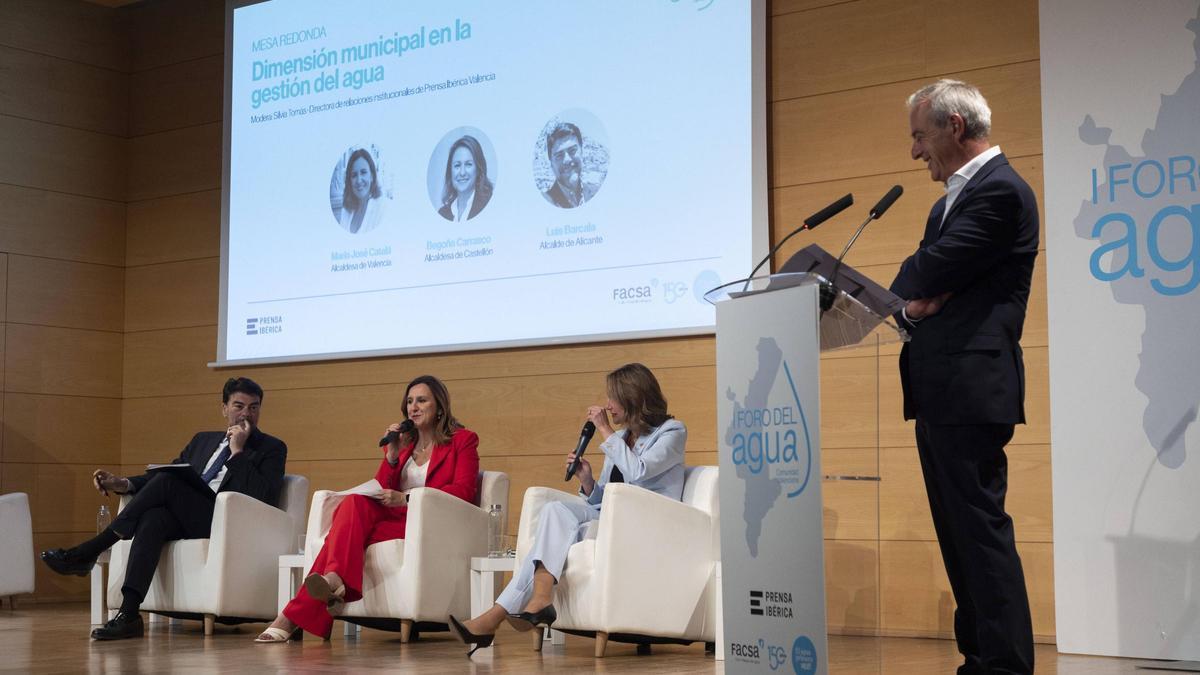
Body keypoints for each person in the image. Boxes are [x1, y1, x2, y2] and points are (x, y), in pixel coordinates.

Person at [889, 79, 1038, 675]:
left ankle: (1004, 666)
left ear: (954, 127)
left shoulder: (1001, 191)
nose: (914, 151)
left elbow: (924, 270)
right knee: (957, 534)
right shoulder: (945, 203)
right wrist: (912, 306)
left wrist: (915, 293)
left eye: (919, 135)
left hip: (972, 388)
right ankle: (979, 658)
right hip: (939, 387)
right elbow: (918, 292)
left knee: (979, 531)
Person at [448, 362, 686, 656]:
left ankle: (495, 617)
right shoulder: (622, 439)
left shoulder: (671, 431)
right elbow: (602, 500)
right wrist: (587, 480)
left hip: (646, 522)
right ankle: (535, 600)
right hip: (614, 518)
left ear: (633, 397)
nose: (607, 405)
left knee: (564, 523)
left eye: (613, 398)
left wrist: (603, 429)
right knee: (554, 511)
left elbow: (638, 472)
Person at [41, 377, 287, 641]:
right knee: (153, 517)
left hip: (227, 523)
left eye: (254, 407)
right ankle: (129, 614)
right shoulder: (203, 440)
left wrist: (237, 452)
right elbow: (167, 475)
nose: (246, 414)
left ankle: (91, 550)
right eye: (239, 406)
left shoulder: (271, 448)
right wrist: (123, 483)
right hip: (190, 516)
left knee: (168, 482)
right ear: (224, 408)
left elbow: (264, 496)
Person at [255, 375, 480, 642]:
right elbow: (380, 488)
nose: (413, 407)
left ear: (440, 406)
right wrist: (393, 457)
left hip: (429, 524)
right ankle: (333, 581)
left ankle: (293, 615)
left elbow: (464, 491)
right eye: (409, 402)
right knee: (353, 503)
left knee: (339, 537)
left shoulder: (463, 440)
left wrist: (408, 498)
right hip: (394, 520)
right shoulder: (405, 447)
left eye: (421, 400)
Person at [541, 122, 599, 208]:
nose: (567, 160)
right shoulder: (545, 202)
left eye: (572, 151)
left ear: (582, 152)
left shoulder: (595, 192)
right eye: (559, 155)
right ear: (551, 164)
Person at [438, 135, 493, 221]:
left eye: (468, 164)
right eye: (457, 165)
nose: (462, 172)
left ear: (478, 169)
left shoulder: (489, 206)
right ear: (450, 171)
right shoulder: (442, 213)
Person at [337, 148, 385, 234]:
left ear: (372, 176)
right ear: (349, 180)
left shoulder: (381, 207)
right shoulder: (346, 209)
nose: (359, 180)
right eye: (354, 175)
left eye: (363, 172)